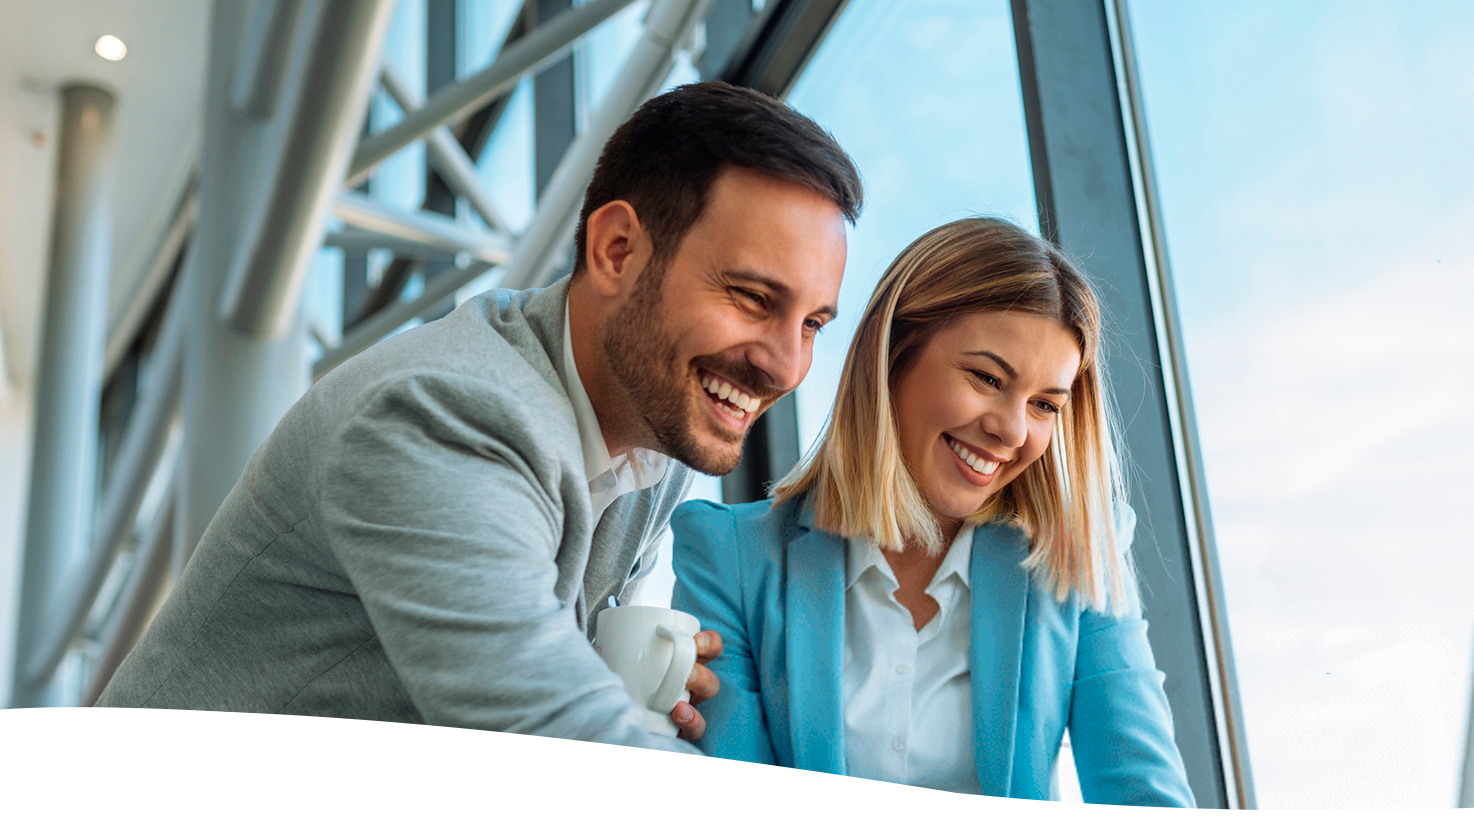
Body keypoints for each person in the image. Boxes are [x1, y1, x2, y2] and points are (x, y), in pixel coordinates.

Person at [97, 82, 862, 752]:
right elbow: (567, 747)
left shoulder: (650, 431)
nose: (786, 365)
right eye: (754, 299)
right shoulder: (438, 417)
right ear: (618, 251)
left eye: (812, 324)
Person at [671, 217, 1195, 805]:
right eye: (986, 377)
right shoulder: (729, 558)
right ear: (892, 355)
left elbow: (1145, 800)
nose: (1011, 430)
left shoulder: (1076, 558)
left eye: (1045, 404)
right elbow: (736, 807)